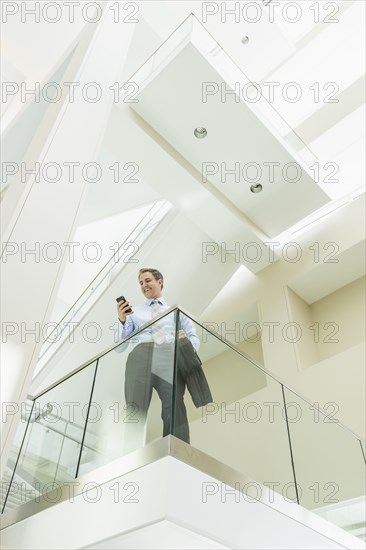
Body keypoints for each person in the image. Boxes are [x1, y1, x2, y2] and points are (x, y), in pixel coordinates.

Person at [116, 268, 211, 448]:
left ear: (160, 281)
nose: (144, 285)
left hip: (169, 356)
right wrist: (121, 320)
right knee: (135, 408)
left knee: (174, 406)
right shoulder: (132, 313)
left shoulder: (176, 311)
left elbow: (194, 338)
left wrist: (185, 342)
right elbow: (120, 347)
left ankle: (177, 450)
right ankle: (129, 453)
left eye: (147, 280)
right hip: (141, 355)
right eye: (141, 283)